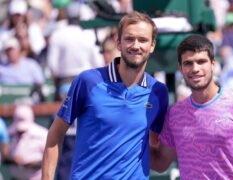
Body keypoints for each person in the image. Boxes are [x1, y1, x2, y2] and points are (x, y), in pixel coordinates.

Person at [42, 11, 169, 179]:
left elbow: (158, 160)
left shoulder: (158, 92)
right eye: (129, 39)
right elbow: (54, 135)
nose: (136, 45)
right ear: (118, 42)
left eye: (143, 40)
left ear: (152, 45)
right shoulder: (87, 81)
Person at [150, 34, 233, 179]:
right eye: (188, 63)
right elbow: (160, 163)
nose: (195, 68)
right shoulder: (174, 114)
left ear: (213, 64)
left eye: (201, 61)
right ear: (180, 68)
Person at [6, 104, 48, 180]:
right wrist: (12, 159)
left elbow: (50, 160)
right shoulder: (8, 134)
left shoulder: (43, 134)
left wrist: (33, 163)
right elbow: (3, 156)